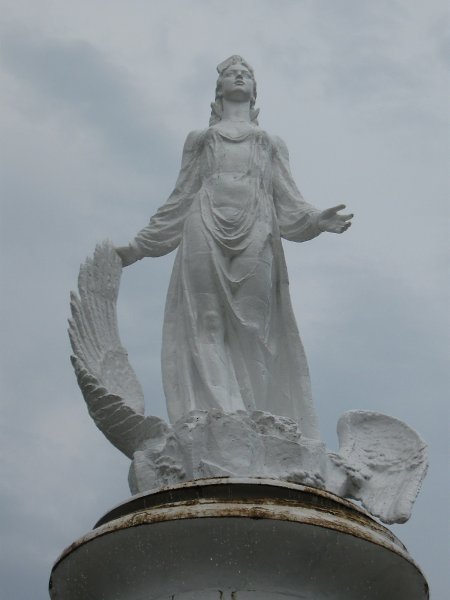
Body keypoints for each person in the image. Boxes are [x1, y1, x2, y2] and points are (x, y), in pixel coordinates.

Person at [116, 56, 353, 440]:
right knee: (207, 321)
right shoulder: (200, 139)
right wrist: (139, 246)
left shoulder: (269, 142)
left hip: (257, 227)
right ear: (220, 87)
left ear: (254, 89)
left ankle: (257, 417)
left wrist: (315, 220)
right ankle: (219, 415)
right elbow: (180, 196)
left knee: (255, 328)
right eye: (231, 74)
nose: (239, 76)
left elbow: (288, 197)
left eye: (245, 74)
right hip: (204, 224)